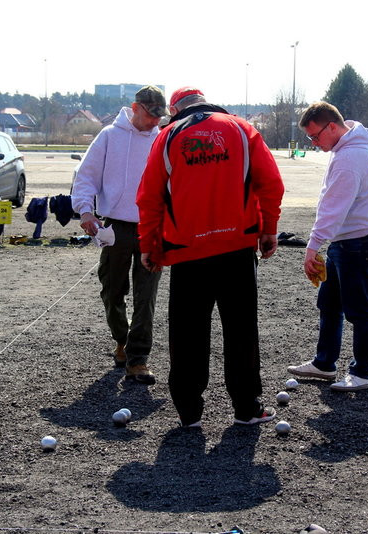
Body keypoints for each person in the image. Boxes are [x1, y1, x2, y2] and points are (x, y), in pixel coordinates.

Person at [136, 87, 284, 427]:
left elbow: (149, 197)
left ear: (175, 110)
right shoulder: (241, 128)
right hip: (236, 247)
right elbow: (271, 183)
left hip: (188, 252)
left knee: (187, 333)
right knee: (241, 330)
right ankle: (247, 407)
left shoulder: (167, 136)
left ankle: (188, 412)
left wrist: (149, 245)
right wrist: (269, 228)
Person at [71, 85, 167, 384]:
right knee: (112, 290)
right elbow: (86, 175)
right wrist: (86, 211)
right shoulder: (109, 136)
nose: (155, 121)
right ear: (135, 108)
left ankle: (138, 359)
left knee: (146, 295)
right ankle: (123, 340)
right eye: (151, 115)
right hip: (115, 227)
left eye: (159, 117)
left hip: (152, 227)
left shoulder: (162, 139)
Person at [287, 102, 368, 392]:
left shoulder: (348, 157)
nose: (315, 144)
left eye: (315, 137)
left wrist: (312, 246)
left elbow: (334, 207)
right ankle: (324, 363)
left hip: (357, 242)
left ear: (332, 126)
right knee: (330, 304)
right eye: (310, 139)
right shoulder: (348, 146)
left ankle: (362, 373)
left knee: (359, 310)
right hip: (349, 241)